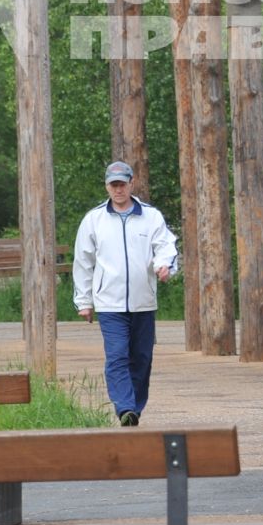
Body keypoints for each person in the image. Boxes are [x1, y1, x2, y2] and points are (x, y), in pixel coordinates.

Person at [72, 160, 179, 426]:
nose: (118, 189)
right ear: (107, 186)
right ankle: (125, 408)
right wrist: (84, 301)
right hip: (109, 303)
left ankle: (135, 408)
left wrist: (164, 266)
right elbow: (83, 262)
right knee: (118, 355)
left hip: (143, 302)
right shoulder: (94, 219)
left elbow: (165, 245)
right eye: (113, 185)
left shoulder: (150, 216)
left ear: (132, 184)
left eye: (123, 184)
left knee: (142, 358)